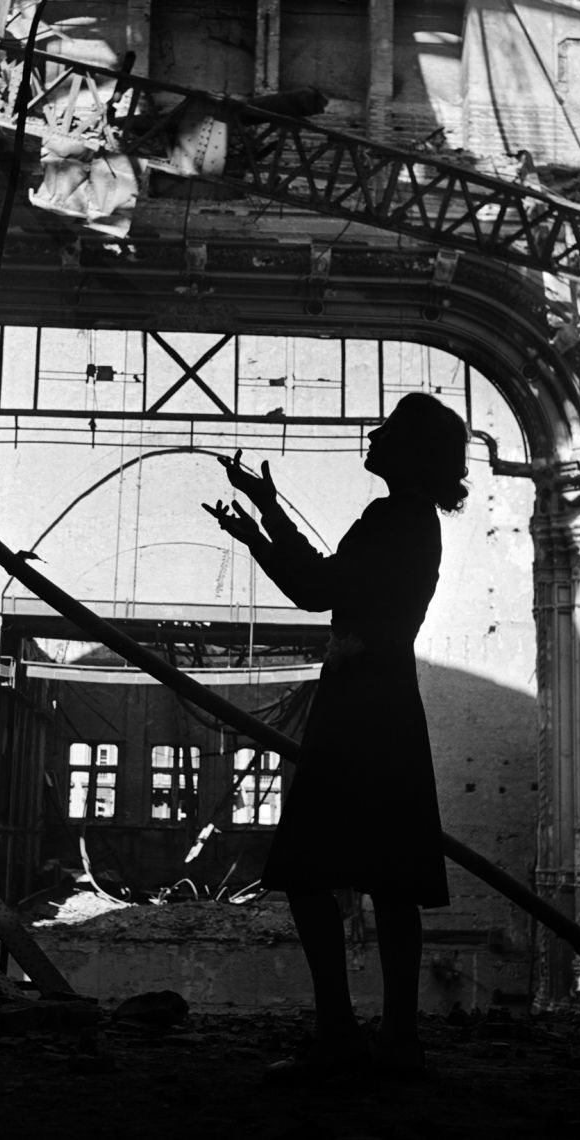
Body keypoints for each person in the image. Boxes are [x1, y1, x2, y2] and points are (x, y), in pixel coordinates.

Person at [202, 392, 468, 1082]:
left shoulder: (394, 518)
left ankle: (342, 1035)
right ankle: (395, 1040)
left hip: (358, 706)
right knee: (390, 876)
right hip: (385, 703)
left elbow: (318, 589)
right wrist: (261, 525)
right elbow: (322, 587)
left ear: (408, 450)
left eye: (388, 431)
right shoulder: (413, 520)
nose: (373, 436)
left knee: (312, 870)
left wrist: (265, 517)